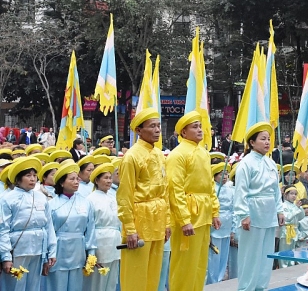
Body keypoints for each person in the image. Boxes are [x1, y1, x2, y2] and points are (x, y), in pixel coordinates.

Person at [117, 108, 171, 291]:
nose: (157, 130)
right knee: (135, 276)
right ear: (139, 130)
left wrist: (167, 222)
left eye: (159, 126)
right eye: (152, 126)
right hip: (139, 221)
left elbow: (165, 191)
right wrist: (130, 229)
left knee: (153, 276)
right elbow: (125, 195)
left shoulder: (159, 155)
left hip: (158, 220)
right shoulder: (131, 157)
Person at [166, 111, 220, 291]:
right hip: (188, 214)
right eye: (195, 127)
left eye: (200, 126)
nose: (200, 130)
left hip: (203, 213)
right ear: (183, 132)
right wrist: (184, 219)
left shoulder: (204, 153)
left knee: (199, 263)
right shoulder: (178, 154)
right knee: (184, 265)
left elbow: (210, 185)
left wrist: (214, 211)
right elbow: (175, 188)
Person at [234, 122, 284, 290]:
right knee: (250, 256)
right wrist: (243, 215)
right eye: (263, 139)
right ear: (252, 142)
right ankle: (246, 288)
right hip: (253, 212)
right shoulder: (246, 163)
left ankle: (261, 287)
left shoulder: (270, 163)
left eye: (269, 139)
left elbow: (276, 190)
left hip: (269, 213)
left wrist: (280, 209)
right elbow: (240, 191)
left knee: (265, 256)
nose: (267, 142)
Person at [0, 157, 57, 291]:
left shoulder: (41, 197)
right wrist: (6, 256)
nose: (32, 179)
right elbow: (3, 229)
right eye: (28, 175)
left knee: (34, 286)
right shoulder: (7, 199)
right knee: (14, 286)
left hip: (38, 249)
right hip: (17, 250)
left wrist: (51, 251)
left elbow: (49, 226)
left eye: (34, 175)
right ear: (18, 179)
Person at [47, 161, 97, 291]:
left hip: (78, 248)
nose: (76, 182)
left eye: (77, 179)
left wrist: (91, 253)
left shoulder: (86, 203)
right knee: (57, 285)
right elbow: (49, 230)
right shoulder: (52, 204)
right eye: (72, 179)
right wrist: (48, 253)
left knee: (76, 285)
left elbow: (90, 229)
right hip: (59, 248)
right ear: (62, 182)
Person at [84, 163, 121, 291]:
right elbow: (89, 227)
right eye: (105, 178)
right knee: (97, 282)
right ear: (97, 180)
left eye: (110, 178)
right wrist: (91, 251)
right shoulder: (90, 199)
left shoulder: (113, 197)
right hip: (100, 242)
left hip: (115, 241)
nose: (109, 181)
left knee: (111, 280)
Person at [206, 163, 234, 285]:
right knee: (214, 256)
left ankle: (220, 279)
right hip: (216, 224)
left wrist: (233, 228)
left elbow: (233, 208)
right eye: (221, 174)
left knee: (224, 255)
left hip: (227, 224)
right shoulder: (212, 189)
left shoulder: (230, 189)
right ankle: (212, 282)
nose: (225, 176)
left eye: (226, 173)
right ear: (215, 176)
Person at [278, 185, 305, 268]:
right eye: (291, 194)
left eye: (295, 194)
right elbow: (288, 218)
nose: (294, 196)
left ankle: (291, 265)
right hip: (286, 230)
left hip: (294, 230)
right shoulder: (282, 206)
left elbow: (301, 217)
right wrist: (296, 208)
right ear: (285, 195)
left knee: (292, 250)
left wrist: (300, 209)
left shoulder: (295, 206)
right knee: (284, 250)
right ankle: (283, 266)